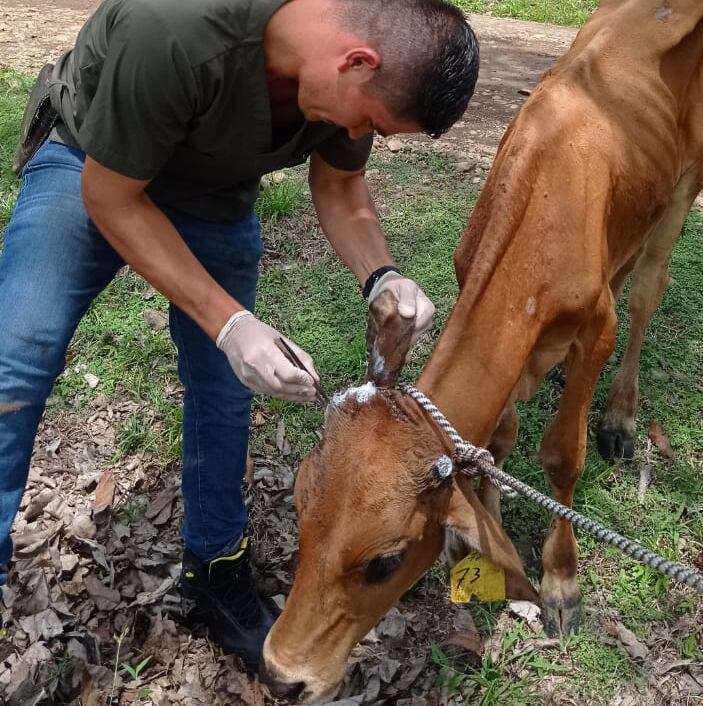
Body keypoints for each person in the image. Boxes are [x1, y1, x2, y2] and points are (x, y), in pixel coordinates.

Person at [0, 0, 479, 671]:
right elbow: (112, 198)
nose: (355, 131)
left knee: (227, 393)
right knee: (13, 361)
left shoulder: (353, 68)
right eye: (367, 120)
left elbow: (341, 185)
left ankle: (216, 567)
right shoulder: (174, 27)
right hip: (92, 163)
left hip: (211, 197)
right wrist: (228, 321)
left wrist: (382, 276)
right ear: (356, 62)